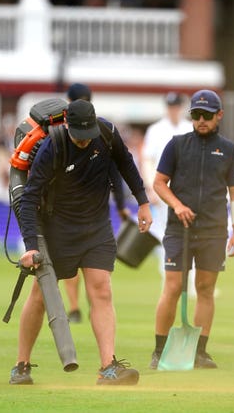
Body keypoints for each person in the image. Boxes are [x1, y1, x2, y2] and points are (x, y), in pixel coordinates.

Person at [10, 99, 152, 385]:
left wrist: (143, 202)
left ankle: (108, 367)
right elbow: (29, 198)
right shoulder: (53, 147)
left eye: (88, 135)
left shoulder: (106, 134)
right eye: (79, 135)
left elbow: (126, 165)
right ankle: (21, 365)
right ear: (68, 125)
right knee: (40, 296)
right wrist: (31, 246)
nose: (85, 141)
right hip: (58, 229)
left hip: (97, 227)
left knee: (101, 289)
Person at [149, 89, 234, 370]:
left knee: (205, 288)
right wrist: (177, 206)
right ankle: (159, 350)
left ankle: (199, 352)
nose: (201, 120)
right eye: (196, 115)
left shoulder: (229, 149)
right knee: (174, 286)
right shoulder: (176, 145)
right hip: (180, 228)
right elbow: (158, 183)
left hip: (214, 230)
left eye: (207, 115)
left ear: (219, 116)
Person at [62, 83, 130, 323]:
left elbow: (117, 168)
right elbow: (116, 172)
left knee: (86, 270)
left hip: (91, 211)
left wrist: (122, 204)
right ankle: (79, 307)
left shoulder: (99, 132)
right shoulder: (62, 134)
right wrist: (121, 204)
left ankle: (76, 308)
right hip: (74, 211)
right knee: (82, 268)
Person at [141, 92, 193, 281]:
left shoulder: (189, 127)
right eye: (171, 107)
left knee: (190, 232)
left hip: (186, 188)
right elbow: (147, 159)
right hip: (162, 187)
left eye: (176, 106)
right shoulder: (156, 130)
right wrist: (149, 188)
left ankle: (191, 280)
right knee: (166, 232)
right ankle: (168, 276)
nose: (174, 110)